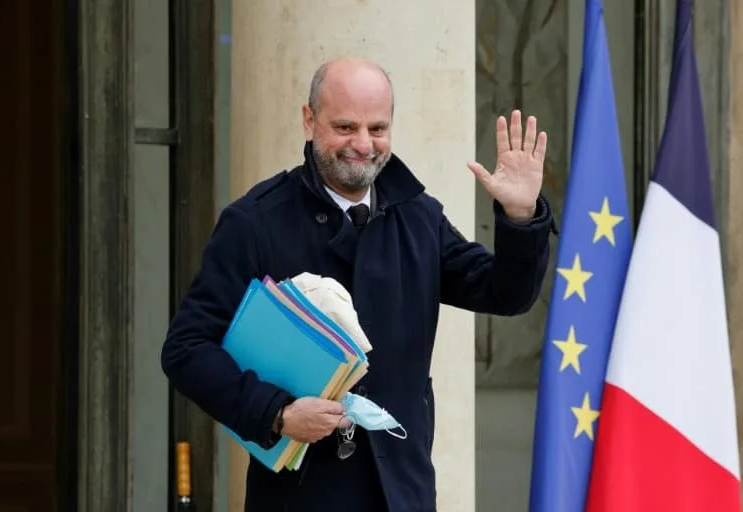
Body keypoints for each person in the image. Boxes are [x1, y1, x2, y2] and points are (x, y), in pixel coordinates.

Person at [161, 57, 554, 512]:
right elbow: (186, 350)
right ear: (309, 121)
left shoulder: (419, 216)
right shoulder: (254, 223)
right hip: (300, 497)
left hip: (403, 492)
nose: (363, 144)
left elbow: (505, 294)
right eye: (345, 127)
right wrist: (276, 412)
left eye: (378, 128)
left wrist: (521, 219)